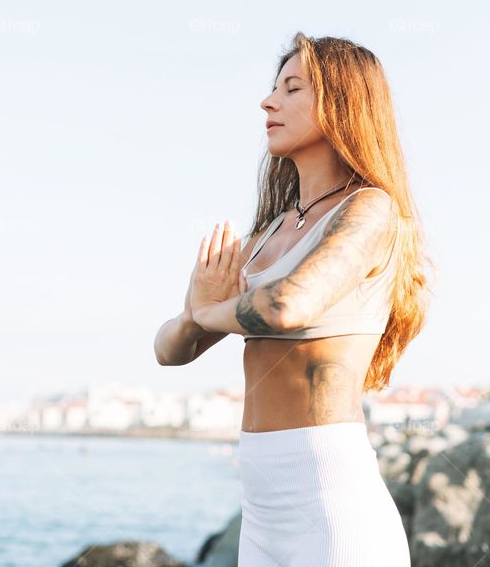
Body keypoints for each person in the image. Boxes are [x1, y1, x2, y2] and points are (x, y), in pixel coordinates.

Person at [154, 32, 434, 565]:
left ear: (343, 105)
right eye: (273, 87)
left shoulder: (369, 210)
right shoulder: (264, 236)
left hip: (331, 500)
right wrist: (195, 318)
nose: (268, 101)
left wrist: (210, 312)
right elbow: (169, 349)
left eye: (293, 88)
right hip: (261, 508)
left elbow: (288, 307)